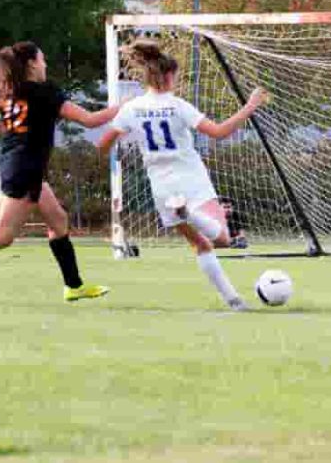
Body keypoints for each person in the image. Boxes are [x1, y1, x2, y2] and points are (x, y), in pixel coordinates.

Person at [0, 42, 120, 301]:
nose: (45, 64)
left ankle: (74, 285)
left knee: (59, 221)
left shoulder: (7, 90)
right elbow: (91, 119)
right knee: (3, 236)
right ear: (31, 64)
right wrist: (128, 105)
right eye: (43, 59)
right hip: (25, 169)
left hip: (21, 166)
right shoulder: (45, 92)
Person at [97, 40, 268, 311]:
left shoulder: (131, 108)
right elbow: (219, 132)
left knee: (200, 244)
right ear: (167, 76)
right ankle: (190, 213)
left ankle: (234, 301)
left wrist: (124, 145)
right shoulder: (178, 105)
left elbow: (103, 144)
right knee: (222, 238)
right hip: (191, 177)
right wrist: (250, 107)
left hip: (162, 185)